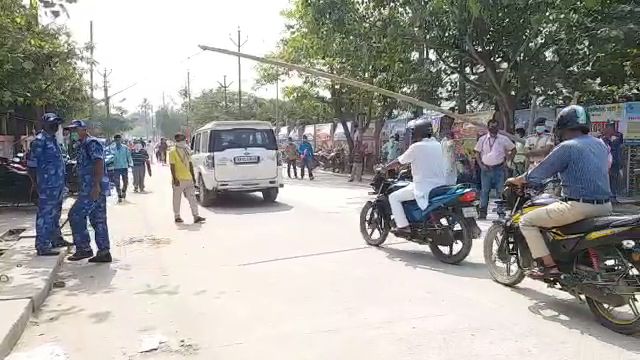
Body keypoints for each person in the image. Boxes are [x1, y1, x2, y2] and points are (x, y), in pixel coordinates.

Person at [507, 105, 612, 278]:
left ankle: (549, 267)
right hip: (605, 207)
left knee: (526, 221)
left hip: (578, 207)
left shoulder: (567, 147)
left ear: (562, 126)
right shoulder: (600, 144)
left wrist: (517, 180)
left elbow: (539, 173)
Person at [384, 120, 448, 235]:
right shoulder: (438, 145)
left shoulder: (416, 147)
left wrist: (385, 168)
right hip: (440, 186)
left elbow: (400, 161)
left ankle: (403, 226)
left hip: (424, 187)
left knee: (393, 197)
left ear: (419, 132)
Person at [64, 120, 112, 262]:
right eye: (71, 130)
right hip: (90, 187)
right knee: (98, 220)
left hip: (92, 188)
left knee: (75, 215)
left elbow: (98, 162)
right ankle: (103, 252)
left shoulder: (91, 143)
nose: (73, 133)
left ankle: (84, 248)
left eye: (76, 129)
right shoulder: (81, 145)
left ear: (84, 129)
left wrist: (96, 185)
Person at [26, 113, 73, 256]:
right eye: (53, 123)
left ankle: (56, 239)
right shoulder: (39, 141)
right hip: (46, 186)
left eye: (57, 123)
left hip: (57, 185)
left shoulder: (53, 140)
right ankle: (42, 245)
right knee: (45, 215)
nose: (55, 126)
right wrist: (35, 185)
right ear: (44, 124)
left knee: (55, 213)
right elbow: (31, 166)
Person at [474, 119, 516, 219]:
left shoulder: (503, 139)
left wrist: (507, 161)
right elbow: (477, 153)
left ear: (498, 127)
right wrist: (481, 165)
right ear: (488, 127)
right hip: (486, 169)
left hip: (499, 168)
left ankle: (501, 213)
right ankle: (482, 213)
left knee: (500, 191)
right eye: (491, 126)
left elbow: (513, 149)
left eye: (495, 126)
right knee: (484, 191)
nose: (493, 128)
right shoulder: (483, 139)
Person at [169, 133, 206, 224]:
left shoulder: (186, 150)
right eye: (181, 139)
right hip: (179, 179)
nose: (183, 141)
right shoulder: (172, 152)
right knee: (177, 199)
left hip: (188, 178)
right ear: (176, 140)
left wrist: (193, 177)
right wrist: (175, 179)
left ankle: (196, 216)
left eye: (183, 139)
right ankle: (177, 216)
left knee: (192, 198)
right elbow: (172, 166)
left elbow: (190, 164)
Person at [601, 121, 624, 203]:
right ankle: (607, 197)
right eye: (609, 127)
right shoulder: (603, 140)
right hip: (606, 164)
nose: (610, 129)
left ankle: (613, 196)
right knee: (607, 180)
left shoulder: (618, 138)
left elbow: (621, 137)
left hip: (615, 163)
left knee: (614, 180)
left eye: (612, 127)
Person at [109, 134, 132, 203]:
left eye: (119, 140)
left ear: (120, 140)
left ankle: (123, 191)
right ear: (115, 140)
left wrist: (130, 164)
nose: (118, 141)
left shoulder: (125, 148)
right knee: (117, 182)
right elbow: (110, 157)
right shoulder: (112, 148)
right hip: (116, 168)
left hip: (124, 167)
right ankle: (119, 195)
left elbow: (129, 156)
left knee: (125, 182)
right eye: (116, 140)